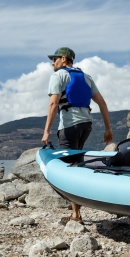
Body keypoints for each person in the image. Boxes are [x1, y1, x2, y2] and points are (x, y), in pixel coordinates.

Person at [41, 46, 114, 224]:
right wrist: (108, 129)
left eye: (55, 58)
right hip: (86, 125)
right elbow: (102, 103)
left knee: (69, 168)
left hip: (69, 126)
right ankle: (78, 208)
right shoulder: (87, 78)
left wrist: (46, 131)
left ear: (64, 59)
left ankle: (76, 215)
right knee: (76, 163)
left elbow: (53, 104)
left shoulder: (58, 76)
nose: (53, 62)